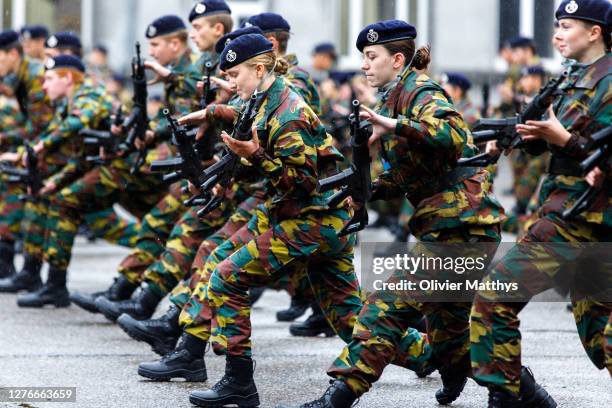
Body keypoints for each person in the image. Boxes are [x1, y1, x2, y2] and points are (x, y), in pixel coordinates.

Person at [277, 19, 511, 408]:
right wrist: (360, 191)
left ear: (397, 59)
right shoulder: (392, 96)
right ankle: (522, 394)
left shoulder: (419, 90)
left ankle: (340, 395)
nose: (365, 66)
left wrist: (395, 126)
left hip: (462, 225)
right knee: (448, 335)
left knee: (381, 309)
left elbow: (454, 135)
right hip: (450, 225)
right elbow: (406, 174)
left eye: (372, 57)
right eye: (364, 58)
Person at [471, 1, 611, 406]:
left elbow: (583, 146)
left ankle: (513, 396)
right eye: (557, 26)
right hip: (570, 213)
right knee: (600, 332)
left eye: (566, 25)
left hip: (587, 218)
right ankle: (518, 394)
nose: (557, 34)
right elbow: (555, 136)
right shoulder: (570, 77)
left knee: (496, 297)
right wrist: (522, 136)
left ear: (595, 31)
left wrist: (563, 139)